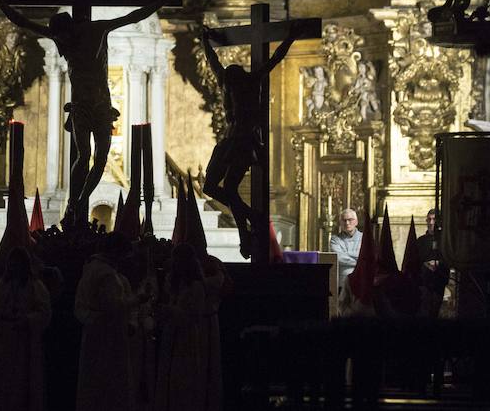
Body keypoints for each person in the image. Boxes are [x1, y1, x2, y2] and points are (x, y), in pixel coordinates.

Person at [0, 2, 162, 227]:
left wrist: (160, 1)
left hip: (101, 107)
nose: (61, 44)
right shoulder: (64, 36)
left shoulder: (95, 30)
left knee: (100, 158)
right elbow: (24, 22)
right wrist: (0, 3)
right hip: (82, 107)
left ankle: (79, 201)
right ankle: (75, 204)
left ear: (69, 29)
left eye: (61, 37)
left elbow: (134, 16)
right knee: (84, 156)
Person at [201, 22, 309, 260]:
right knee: (209, 186)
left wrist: (290, 38)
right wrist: (205, 42)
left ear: (237, 79)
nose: (226, 88)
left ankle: (245, 232)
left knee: (229, 189)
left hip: (244, 142)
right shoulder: (226, 80)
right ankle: (251, 218)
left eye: (230, 84)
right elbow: (213, 63)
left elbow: (275, 60)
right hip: (228, 141)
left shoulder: (250, 82)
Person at [75, 233, 148, 411]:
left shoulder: (93, 268)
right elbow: (114, 306)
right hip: (108, 334)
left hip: (96, 330)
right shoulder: (106, 274)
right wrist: (138, 299)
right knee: (109, 381)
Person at [155, 244, 223, 411]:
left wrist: (170, 311)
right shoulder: (179, 283)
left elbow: (193, 316)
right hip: (175, 335)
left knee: (185, 378)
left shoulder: (195, 286)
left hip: (188, 339)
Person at [0, 247, 52, 411]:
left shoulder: (35, 286)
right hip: (4, 341)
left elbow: (44, 312)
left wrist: (27, 320)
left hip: (23, 343)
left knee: (22, 383)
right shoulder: (2, 284)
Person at [416, 208, 449, 315]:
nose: (431, 223)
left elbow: (449, 257)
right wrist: (425, 264)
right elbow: (416, 260)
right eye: (428, 219)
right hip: (424, 281)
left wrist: (439, 263)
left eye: (433, 219)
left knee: (435, 310)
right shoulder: (421, 241)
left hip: (439, 280)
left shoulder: (444, 240)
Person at [330, 208, 363, 291]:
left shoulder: (365, 238)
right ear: (340, 223)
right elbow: (338, 257)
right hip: (342, 282)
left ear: (356, 222)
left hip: (361, 280)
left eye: (350, 220)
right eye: (344, 220)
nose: (347, 223)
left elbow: (367, 256)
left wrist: (346, 253)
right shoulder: (335, 239)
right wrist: (359, 261)